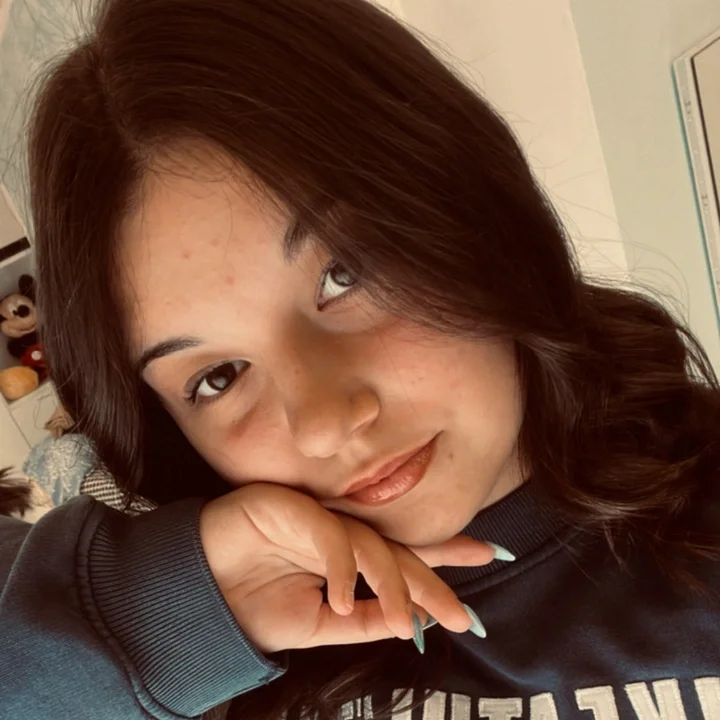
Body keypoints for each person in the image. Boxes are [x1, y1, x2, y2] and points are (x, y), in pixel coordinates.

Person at [2, 0, 720, 717]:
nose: (325, 424)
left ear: (467, 204)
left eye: (344, 275)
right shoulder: (216, 676)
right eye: (218, 378)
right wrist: (144, 630)